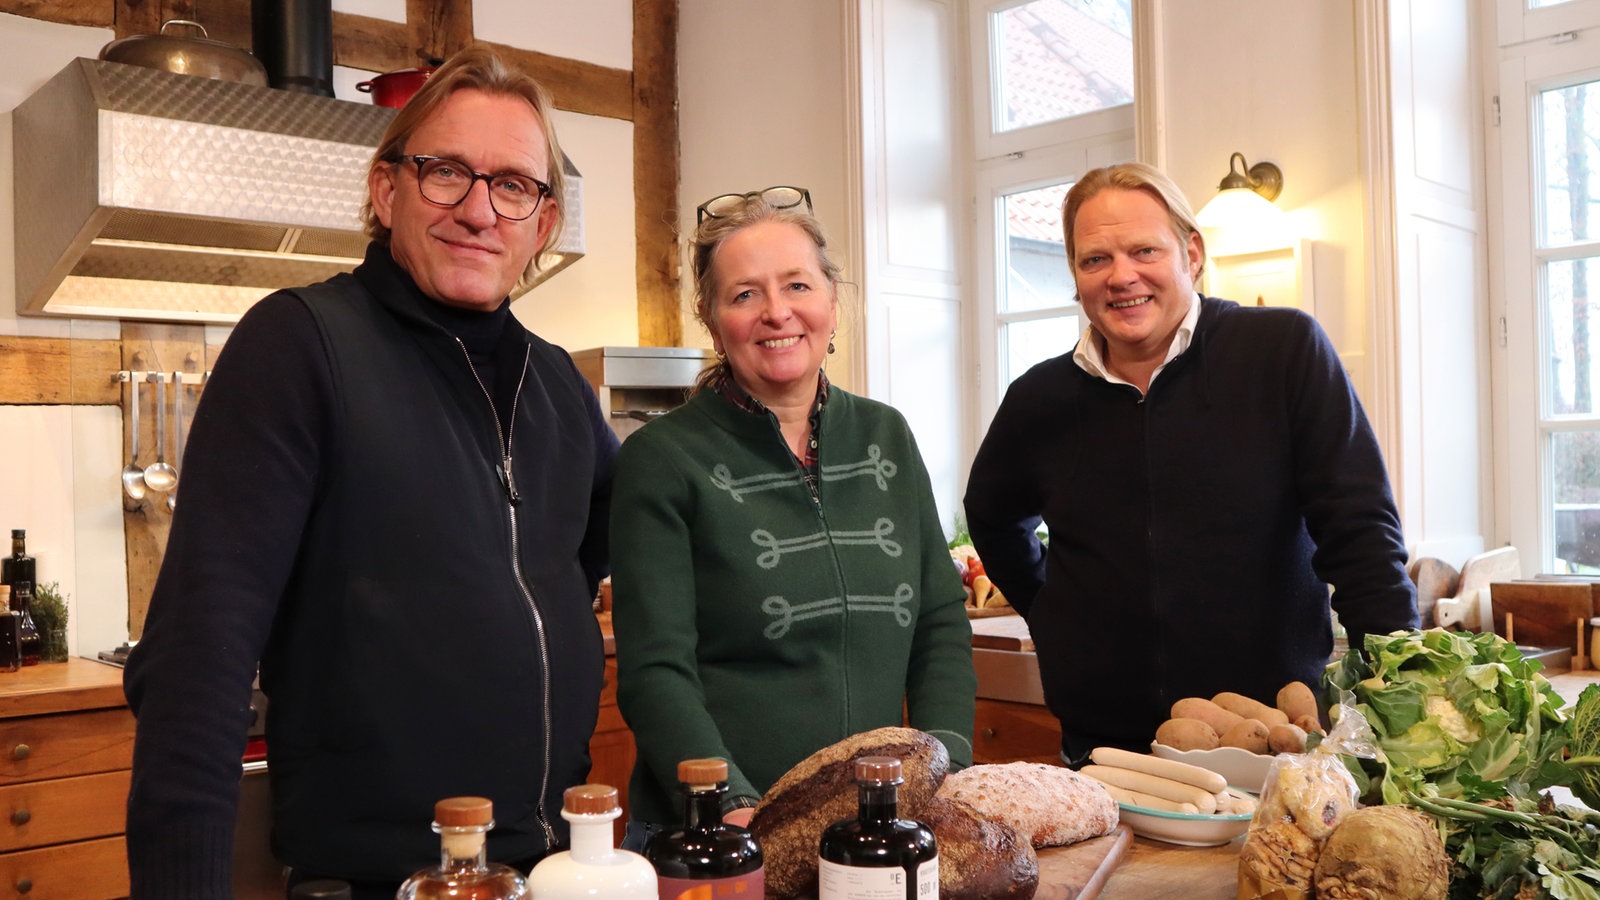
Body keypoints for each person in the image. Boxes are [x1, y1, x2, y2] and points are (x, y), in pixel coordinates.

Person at [122, 47, 619, 899]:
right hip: (379, 881)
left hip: (556, 872)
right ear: (386, 191)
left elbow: (656, 548)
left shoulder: (562, 388)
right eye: (445, 173)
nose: (477, 209)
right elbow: (195, 663)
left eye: (512, 186)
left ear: (542, 224)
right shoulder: (300, 347)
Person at [964, 162, 1419, 762]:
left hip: (1269, 737)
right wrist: (1054, 613)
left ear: (1192, 253)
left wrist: (1406, 693)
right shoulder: (1039, 398)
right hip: (1106, 750)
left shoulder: (1282, 352)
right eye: (1095, 259)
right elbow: (991, 516)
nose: (1121, 276)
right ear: (1076, 277)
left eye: (1144, 250)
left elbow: (1360, 530)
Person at [608, 187, 976, 844]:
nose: (777, 313)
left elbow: (940, 623)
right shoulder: (661, 459)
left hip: (872, 828)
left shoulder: (886, 436)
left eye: (797, 285)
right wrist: (731, 808)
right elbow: (657, 671)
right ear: (711, 317)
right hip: (713, 834)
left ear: (833, 300)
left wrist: (945, 763)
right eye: (745, 294)